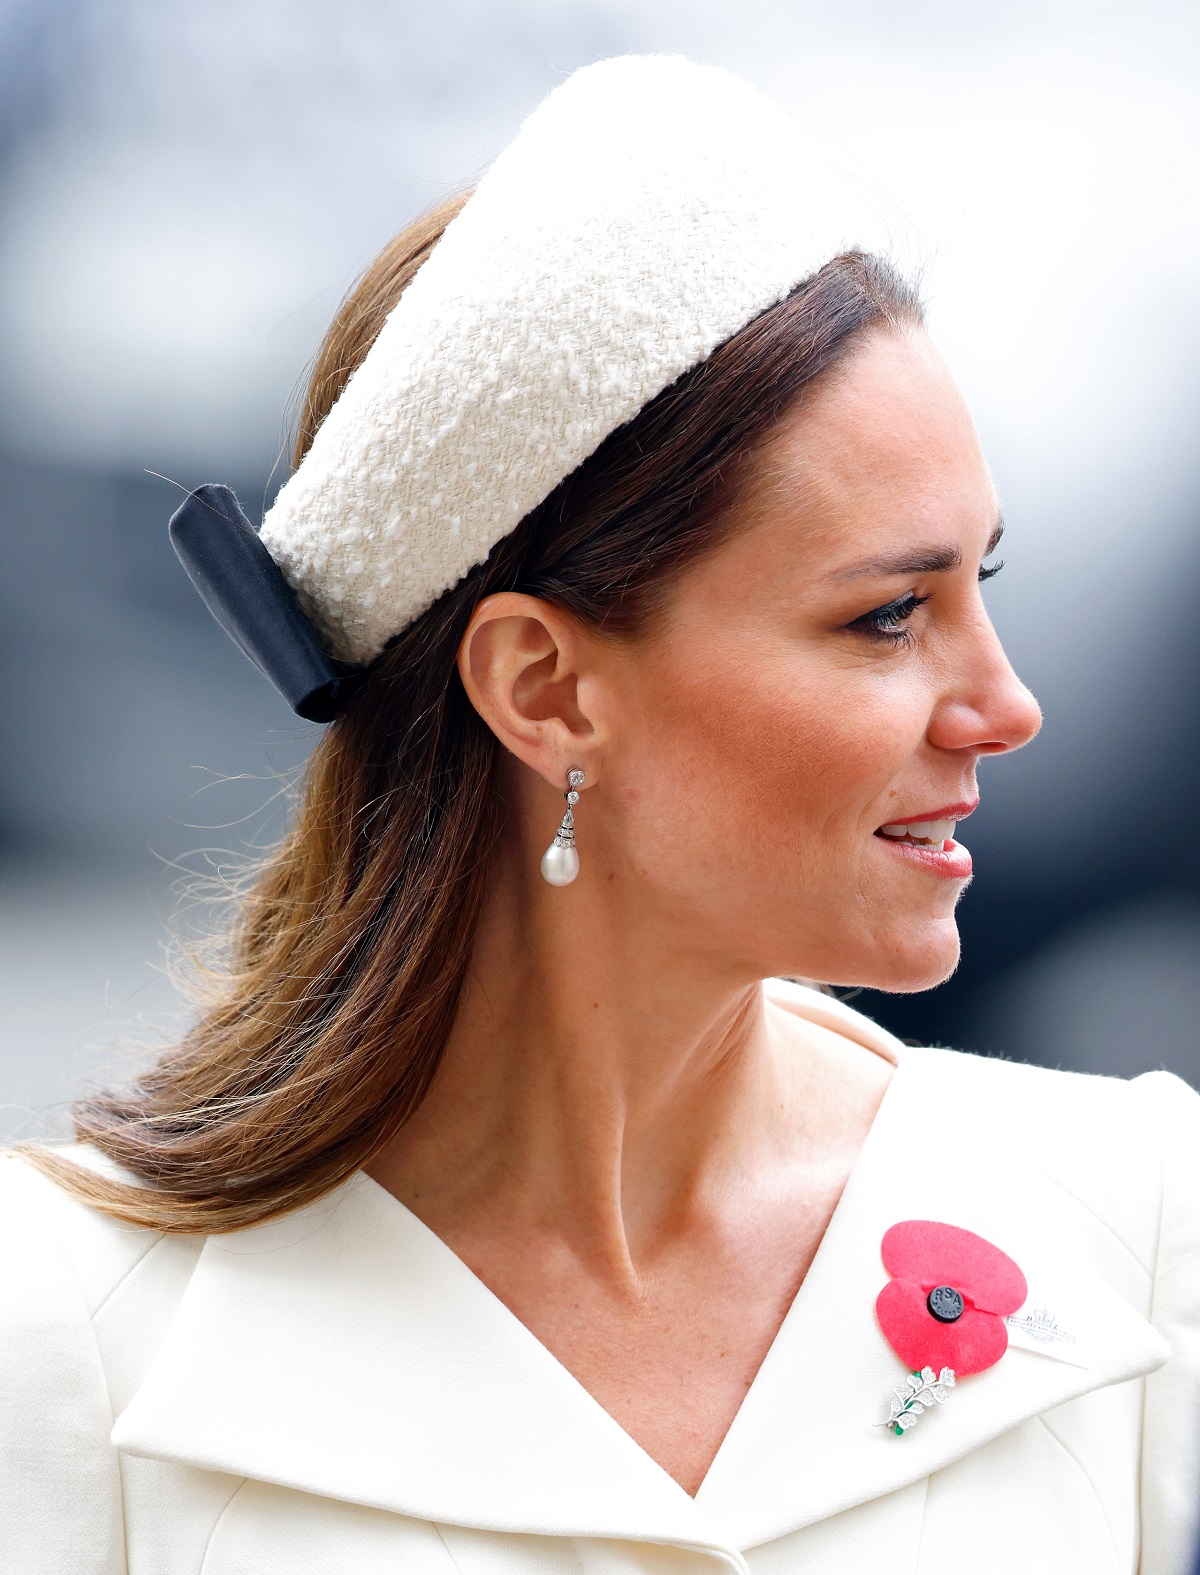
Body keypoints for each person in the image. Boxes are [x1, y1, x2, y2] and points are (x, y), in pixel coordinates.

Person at [2, 54, 1197, 1575]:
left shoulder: (1135, 1224)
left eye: (985, 584)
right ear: (546, 689)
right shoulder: (63, 1333)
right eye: (889, 616)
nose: (1007, 705)